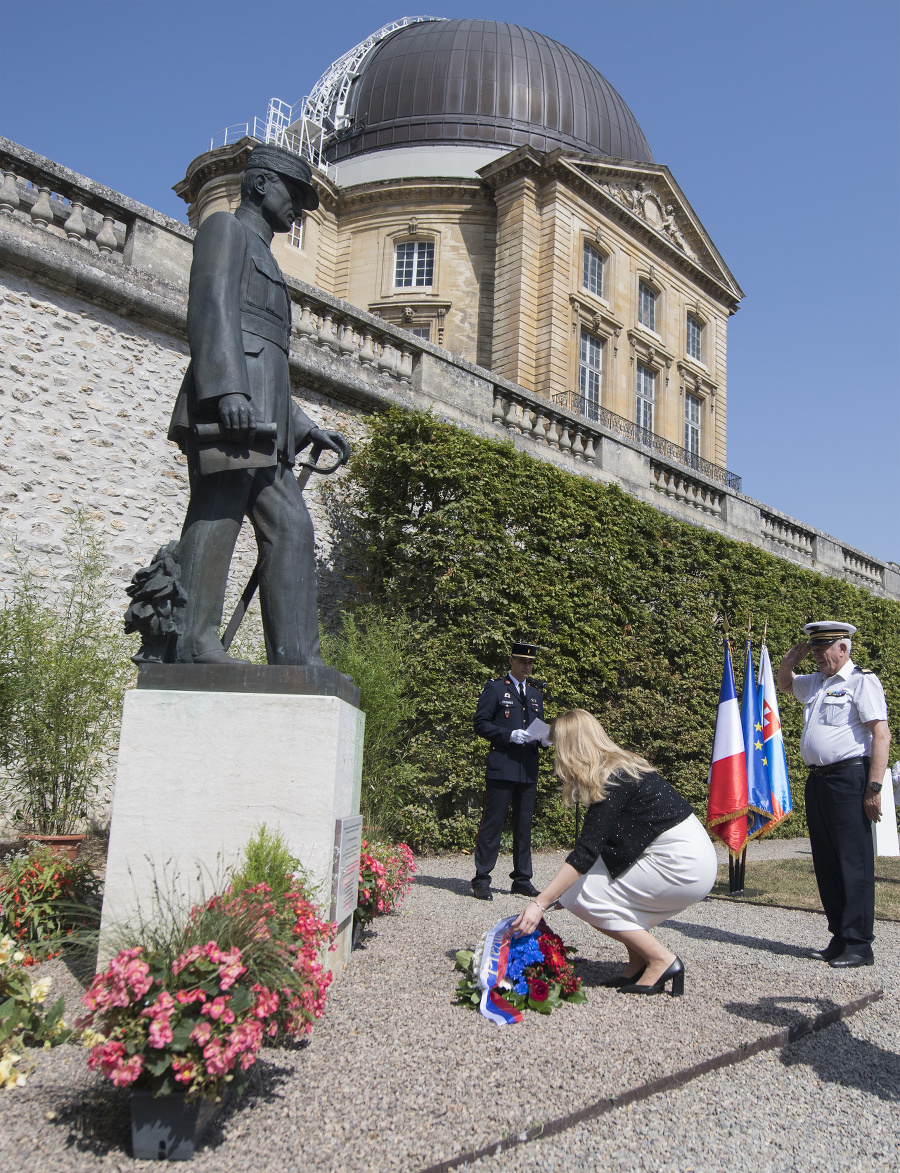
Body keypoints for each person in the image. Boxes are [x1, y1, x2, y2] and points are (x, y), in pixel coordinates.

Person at [168, 143, 350, 665]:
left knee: (292, 527)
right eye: (293, 194)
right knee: (217, 516)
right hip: (231, 411)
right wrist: (227, 392)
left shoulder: (266, 255)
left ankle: (296, 655)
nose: (298, 209)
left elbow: (269, 358)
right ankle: (193, 640)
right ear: (261, 184)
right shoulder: (224, 230)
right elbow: (212, 311)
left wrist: (304, 426)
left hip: (265, 419)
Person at [512, 710, 717, 995]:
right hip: (687, 858)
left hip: (682, 864)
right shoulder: (619, 768)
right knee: (579, 891)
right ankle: (638, 960)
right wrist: (562, 895)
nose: (556, 754)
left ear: (572, 747)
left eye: (559, 746)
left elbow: (585, 852)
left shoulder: (612, 779)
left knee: (583, 895)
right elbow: (605, 850)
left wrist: (540, 903)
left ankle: (661, 960)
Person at [777, 620, 891, 968]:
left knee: (852, 861)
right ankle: (839, 936)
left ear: (842, 648)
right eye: (812, 648)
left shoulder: (862, 681)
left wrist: (873, 789)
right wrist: (788, 663)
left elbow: (881, 735)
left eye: (822, 648)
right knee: (826, 861)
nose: (815, 654)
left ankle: (859, 944)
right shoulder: (817, 682)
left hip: (849, 779)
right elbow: (784, 686)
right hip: (819, 780)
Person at [471, 641, 548, 900]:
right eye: (522, 661)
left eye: (530, 662)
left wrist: (546, 739)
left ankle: (522, 878)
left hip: (527, 769)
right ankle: (482, 877)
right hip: (502, 766)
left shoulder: (536, 694)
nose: (527, 666)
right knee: (492, 824)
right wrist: (508, 734)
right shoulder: (495, 688)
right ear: (511, 661)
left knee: (524, 825)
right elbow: (480, 723)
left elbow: (536, 728)